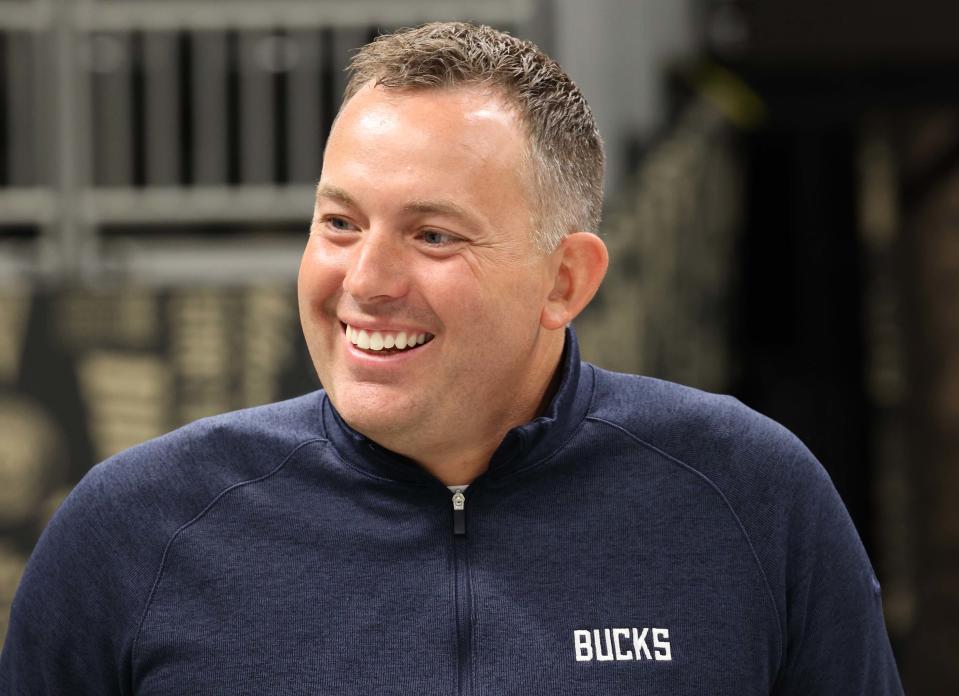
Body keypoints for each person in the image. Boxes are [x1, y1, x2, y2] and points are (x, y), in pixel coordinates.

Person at [0, 21, 902, 696]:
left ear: (564, 280)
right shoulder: (134, 532)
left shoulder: (750, 498)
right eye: (339, 224)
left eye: (433, 235)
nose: (367, 280)